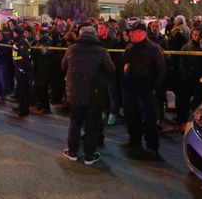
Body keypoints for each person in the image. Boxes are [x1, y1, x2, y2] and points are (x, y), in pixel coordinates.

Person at [62, 26, 115, 164]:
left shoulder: (71, 48)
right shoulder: (101, 50)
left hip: (74, 92)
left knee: (75, 123)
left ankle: (72, 152)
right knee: (92, 124)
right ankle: (89, 156)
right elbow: (111, 70)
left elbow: (63, 66)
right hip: (94, 94)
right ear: (95, 35)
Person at [121, 20, 166, 159]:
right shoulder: (130, 48)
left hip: (146, 89)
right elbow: (124, 66)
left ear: (141, 33)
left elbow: (162, 71)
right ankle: (134, 141)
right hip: (130, 88)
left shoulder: (154, 49)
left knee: (149, 119)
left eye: (132, 32)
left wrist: (154, 89)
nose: (130, 34)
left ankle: (152, 147)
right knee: (132, 116)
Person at [10, 25, 31, 118]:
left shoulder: (22, 42)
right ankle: (21, 106)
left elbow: (25, 57)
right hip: (18, 67)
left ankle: (25, 109)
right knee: (21, 89)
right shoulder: (18, 42)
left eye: (14, 32)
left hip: (22, 69)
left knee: (24, 89)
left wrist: (21, 69)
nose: (13, 34)